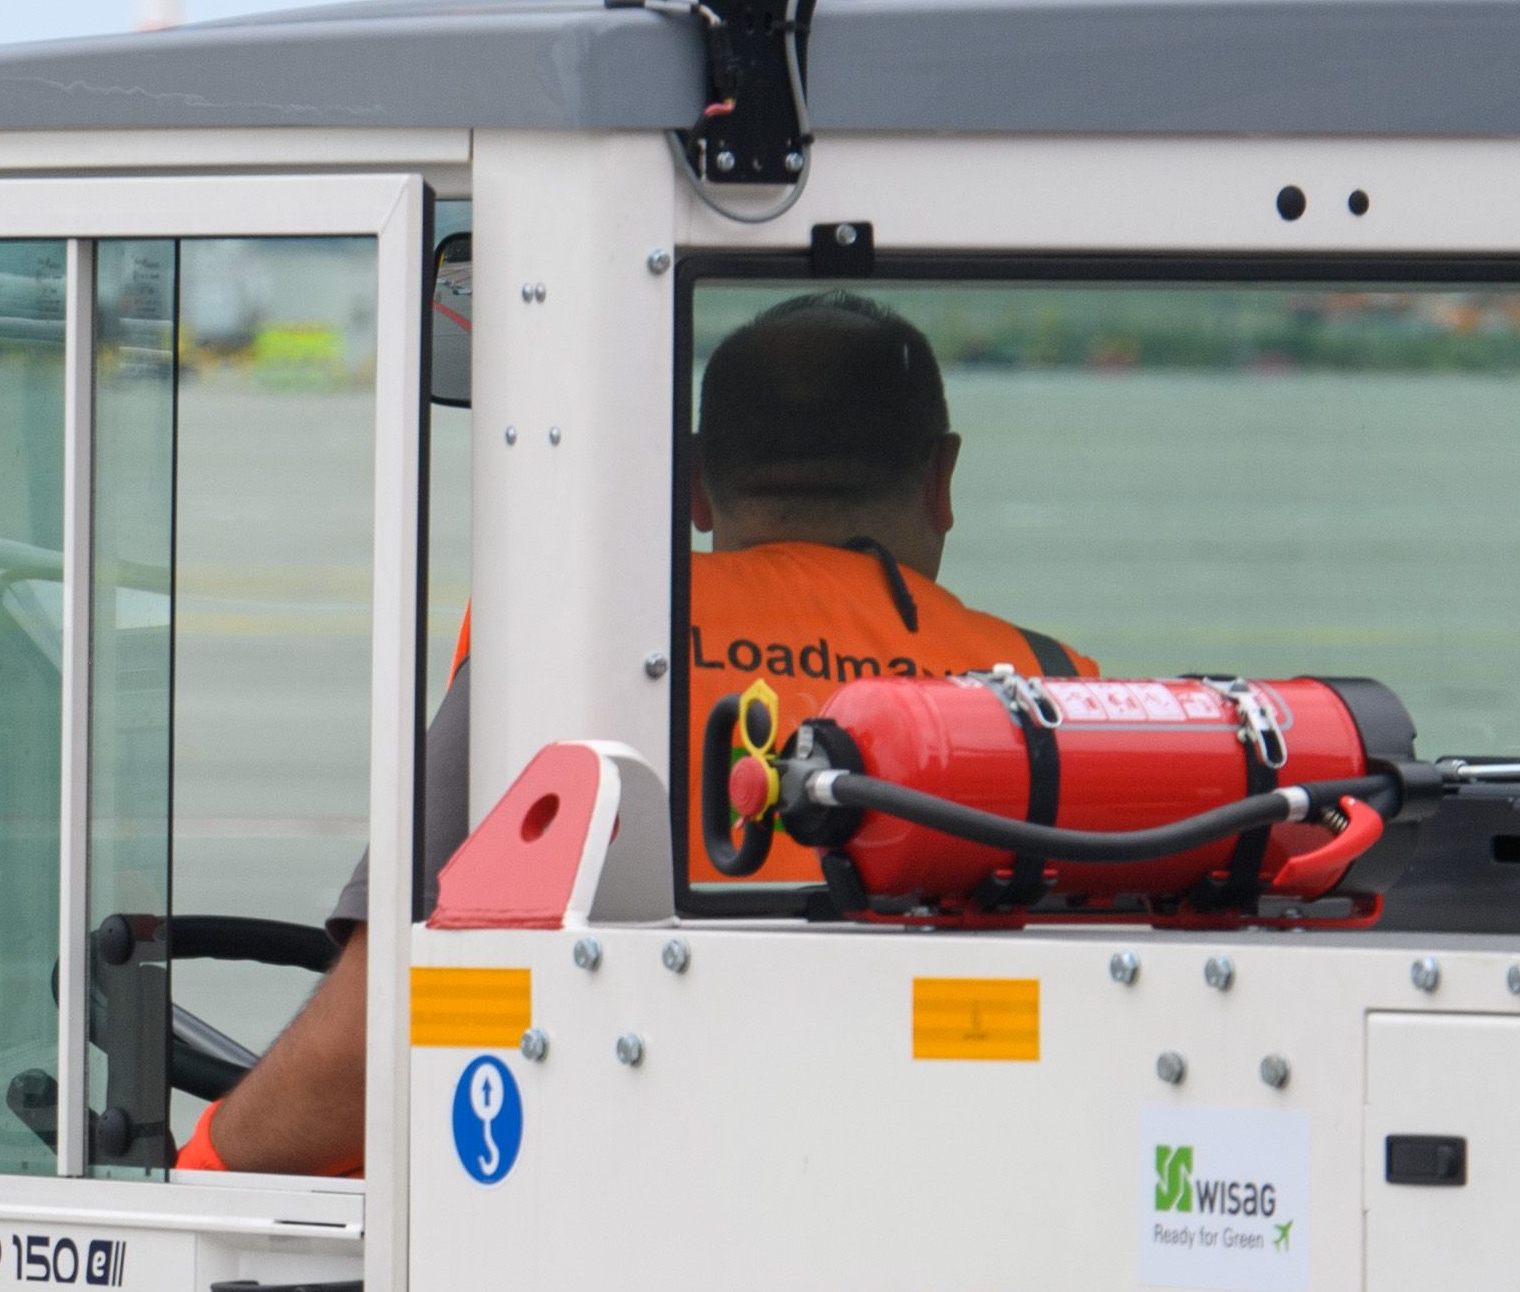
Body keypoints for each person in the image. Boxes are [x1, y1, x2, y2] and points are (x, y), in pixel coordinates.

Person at [188, 291, 1074, 1172]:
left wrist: (208, 1169)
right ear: (940, 480)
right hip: (959, 1182)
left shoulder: (571, 646)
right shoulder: (1052, 688)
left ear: (692, 482)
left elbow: (369, 1038)